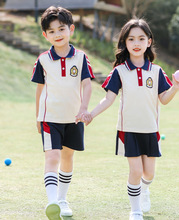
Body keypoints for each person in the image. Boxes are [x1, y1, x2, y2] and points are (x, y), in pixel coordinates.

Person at [77, 18, 179, 220]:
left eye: (141, 38)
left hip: (151, 130)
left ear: (149, 41)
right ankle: (135, 210)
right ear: (124, 43)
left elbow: (164, 99)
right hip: (128, 130)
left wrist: (175, 88)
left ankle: (145, 190)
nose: (136, 43)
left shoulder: (157, 71)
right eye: (131, 39)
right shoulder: (119, 71)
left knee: (149, 174)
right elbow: (108, 99)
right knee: (135, 171)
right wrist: (91, 114)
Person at [31, 6, 94, 220]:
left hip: (74, 118)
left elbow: (87, 84)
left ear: (71, 29)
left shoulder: (82, 57)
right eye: (51, 31)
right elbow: (40, 89)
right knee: (53, 157)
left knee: (67, 157)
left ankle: (62, 198)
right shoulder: (42, 60)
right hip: (50, 118)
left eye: (61, 29)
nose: (57, 34)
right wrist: (38, 116)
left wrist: (84, 108)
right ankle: (52, 202)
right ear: (45, 35)